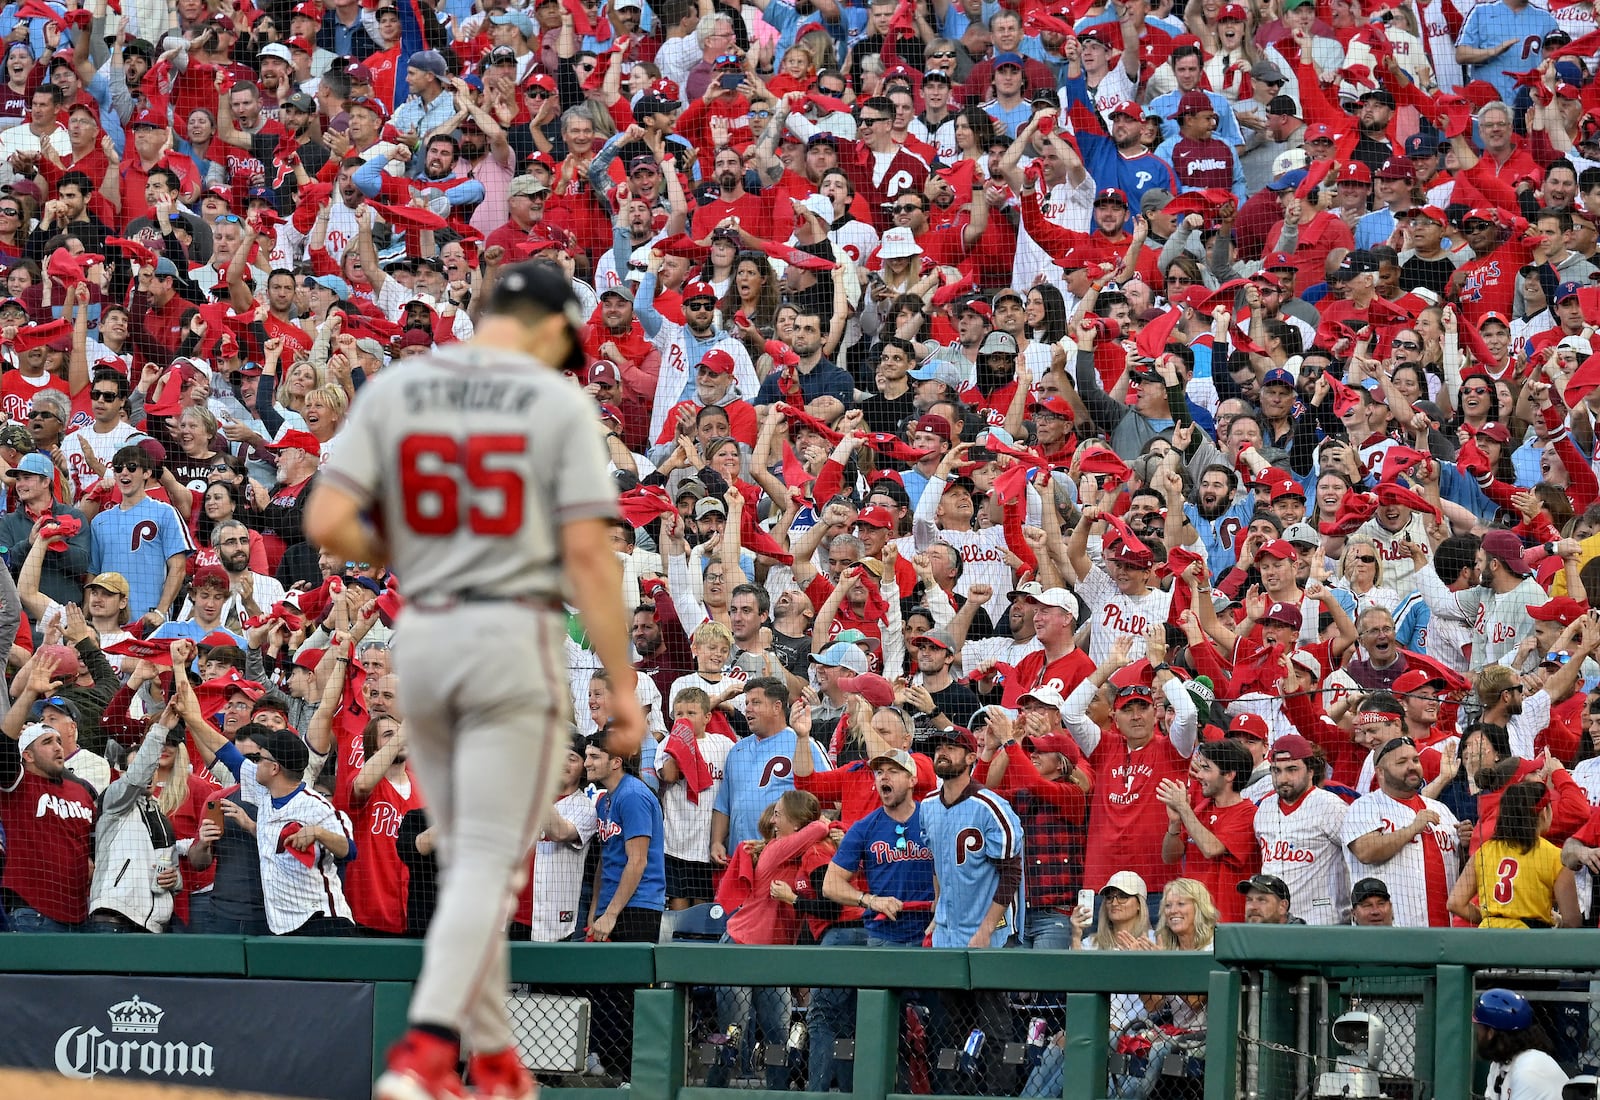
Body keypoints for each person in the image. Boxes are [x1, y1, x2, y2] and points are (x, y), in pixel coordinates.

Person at [304, 262, 643, 1100]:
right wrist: (626, 688)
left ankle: (489, 1059)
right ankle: (428, 1050)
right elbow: (594, 563)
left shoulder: (407, 387)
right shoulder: (558, 408)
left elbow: (326, 520)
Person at [1342, 736, 1461, 927]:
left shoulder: (1441, 809)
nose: (1412, 766)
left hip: (1444, 931)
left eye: (1415, 760)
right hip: (1391, 932)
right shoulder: (1364, 806)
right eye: (1401, 762)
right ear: (1380, 772)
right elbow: (1366, 851)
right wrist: (1413, 828)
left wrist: (1464, 842)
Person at [1448, 781, 1581, 928]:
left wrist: (1492, 919)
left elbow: (1455, 903)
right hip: (1528, 941)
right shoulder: (1556, 856)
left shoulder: (1484, 850)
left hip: (1487, 938)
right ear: (1544, 812)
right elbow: (1573, 921)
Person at [1473, 989, 1572, 1098]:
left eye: (1480, 1028)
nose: (1478, 1033)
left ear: (1491, 1033)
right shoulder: (1499, 1064)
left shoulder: (1529, 1069)